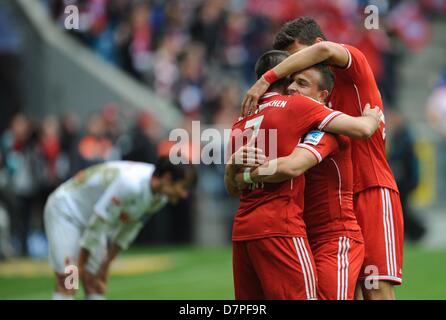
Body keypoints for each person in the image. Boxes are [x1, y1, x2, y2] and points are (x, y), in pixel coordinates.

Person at [241, 17, 404, 300]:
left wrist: (265, 79)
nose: (290, 72)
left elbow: (326, 51)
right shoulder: (307, 97)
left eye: (297, 58)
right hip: (333, 208)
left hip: (370, 188)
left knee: (376, 289)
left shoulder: (354, 67)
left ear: (315, 46)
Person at [225, 50, 382, 300]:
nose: (295, 89)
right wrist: (371, 118)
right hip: (285, 227)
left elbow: (233, 186)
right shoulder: (295, 108)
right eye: (294, 80)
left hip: (315, 235)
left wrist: (239, 173)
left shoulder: (239, 122)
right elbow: (361, 129)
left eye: (302, 82)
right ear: (284, 77)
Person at [44, 157, 196, 300]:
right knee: (70, 280)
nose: (184, 194)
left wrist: (105, 266)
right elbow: (99, 222)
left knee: (95, 283)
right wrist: (81, 264)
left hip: (92, 220)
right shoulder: (131, 183)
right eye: (183, 187)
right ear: (168, 178)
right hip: (66, 211)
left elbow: (131, 227)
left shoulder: (160, 197)